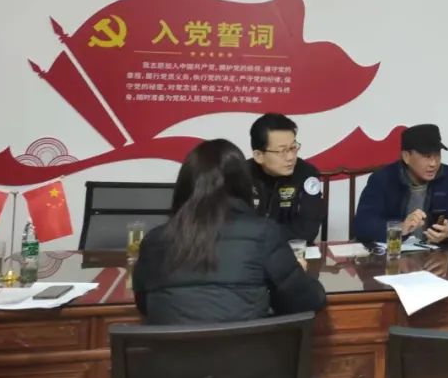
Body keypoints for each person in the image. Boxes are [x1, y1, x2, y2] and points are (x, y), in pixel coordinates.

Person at [133, 139, 327, 324]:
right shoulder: (263, 234)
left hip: (174, 349)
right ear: (243, 184)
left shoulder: (154, 241)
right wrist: (297, 273)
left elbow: (144, 305)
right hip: (251, 347)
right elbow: (308, 301)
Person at [355, 124, 448, 244]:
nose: (433, 163)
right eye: (426, 156)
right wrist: (399, 228)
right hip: (394, 251)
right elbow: (363, 224)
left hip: (435, 252)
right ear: (406, 157)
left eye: (437, 155)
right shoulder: (383, 179)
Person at [248, 113, 324, 244]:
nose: (291, 157)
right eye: (282, 151)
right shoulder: (240, 176)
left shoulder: (307, 175)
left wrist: (263, 236)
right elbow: (229, 226)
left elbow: (308, 230)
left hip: (290, 251)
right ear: (259, 155)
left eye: (293, 148)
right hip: (248, 251)